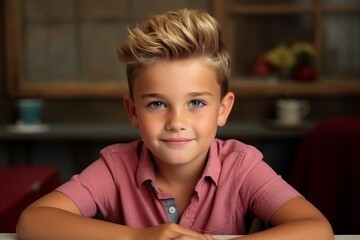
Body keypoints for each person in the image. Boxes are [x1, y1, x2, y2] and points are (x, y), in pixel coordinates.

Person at [16, 9, 333, 240]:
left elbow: (317, 229)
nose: (177, 122)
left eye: (196, 103)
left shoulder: (242, 165)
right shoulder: (115, 168)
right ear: (133, 111)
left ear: (223, 109)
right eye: (156, 104)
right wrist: (139, 238)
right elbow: (33, 221)